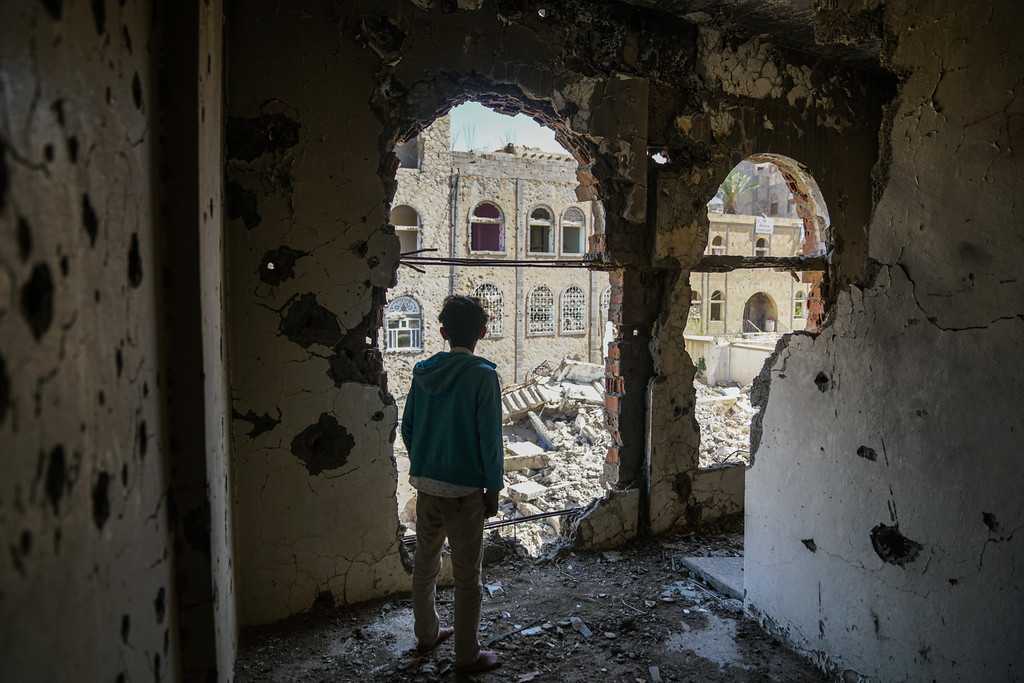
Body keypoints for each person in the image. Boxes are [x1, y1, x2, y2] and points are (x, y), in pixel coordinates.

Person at [401, 295, 503, 674]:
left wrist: (427, 461)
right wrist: (492, 488)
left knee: (424, 565)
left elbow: (407, 427)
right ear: (483, 332)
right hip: (464, 494)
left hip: (427, 489)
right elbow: (489, 440)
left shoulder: (423, 372)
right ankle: (466, 655)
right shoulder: (483, 375)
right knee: (466, 577)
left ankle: (426, 634)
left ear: (442, 332)